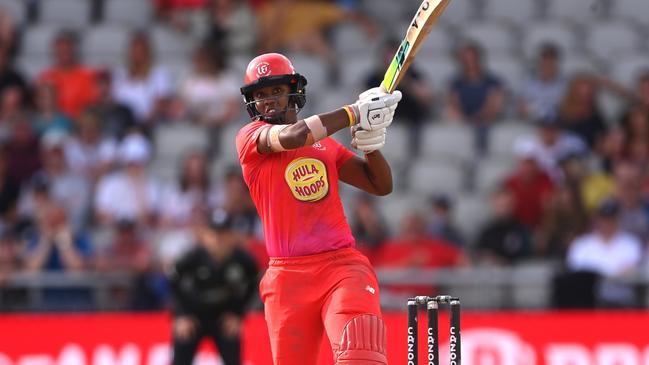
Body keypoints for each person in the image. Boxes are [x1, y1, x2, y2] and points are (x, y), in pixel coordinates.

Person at [235, 53, 401, 364]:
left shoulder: (326, 146)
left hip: (341, 268)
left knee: (360, 353)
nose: (268, 101)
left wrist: (371, 146)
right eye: (260, 95)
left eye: (276, 91)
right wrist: (354, 112)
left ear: (294, 92)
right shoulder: (250, 138)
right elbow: (295, 136)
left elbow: (380, 185)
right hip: (286, 278)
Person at [169, 209, 258, 365]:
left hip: (224, 316)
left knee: (233, 357)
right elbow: (172, 281)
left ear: (232, 236)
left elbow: (254, 283)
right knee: (181, 353)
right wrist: (181, 314)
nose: (218, 239)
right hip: (194, 315)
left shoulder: (243, 260)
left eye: (223, 234)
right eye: (214, 234)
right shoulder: (192, 257)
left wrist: (238, 314)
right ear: (205, 236)